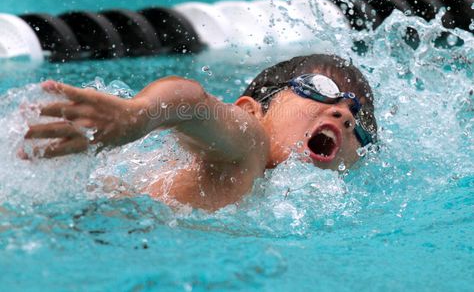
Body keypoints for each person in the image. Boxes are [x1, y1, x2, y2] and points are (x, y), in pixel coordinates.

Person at [22, 54, 377, 211]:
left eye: (361, 122)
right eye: (319, 88)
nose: (345, 113)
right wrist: (136, 116)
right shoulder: (251, 148)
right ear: (250, 109)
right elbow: (191, 101)